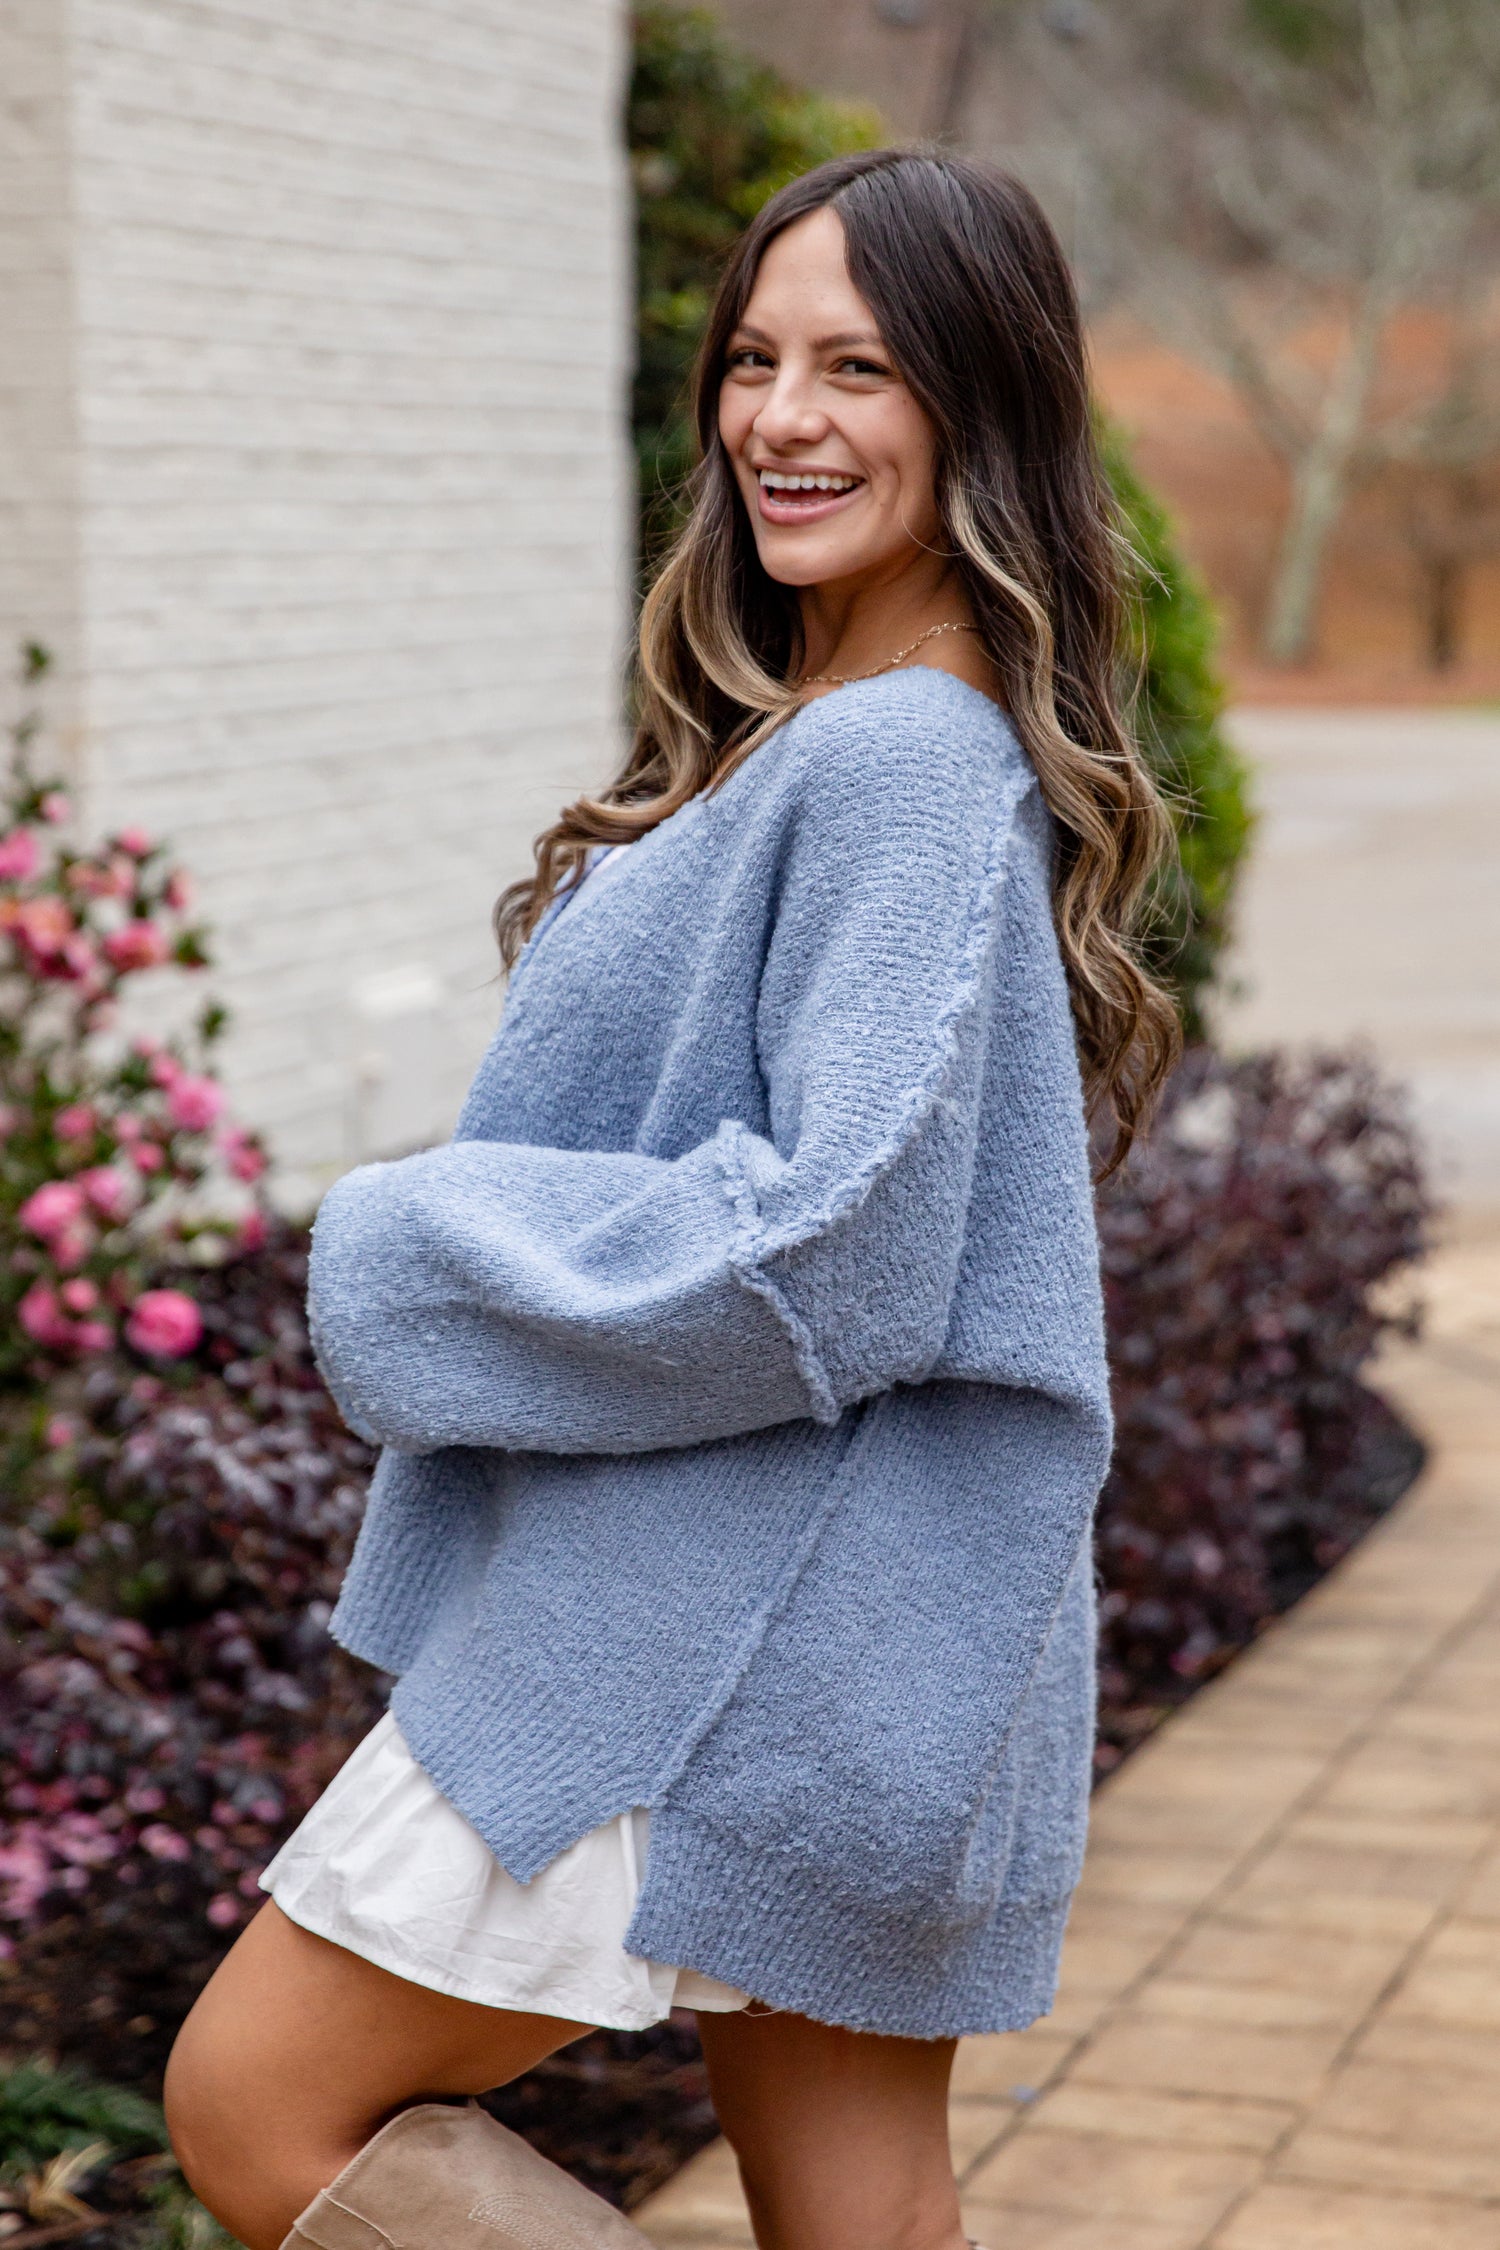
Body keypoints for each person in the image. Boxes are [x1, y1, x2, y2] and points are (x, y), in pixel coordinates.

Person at [164, 148, 1179, 2250]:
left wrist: (417, 1245)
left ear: (980, 407)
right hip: (893, 1623)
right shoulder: (849, 729)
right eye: (754, 360)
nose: (780, 417)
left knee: (257, 2108)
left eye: (860, 370)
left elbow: (847, 1241)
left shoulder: (896, 756)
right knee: (868, 2215)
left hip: (718, 1625)